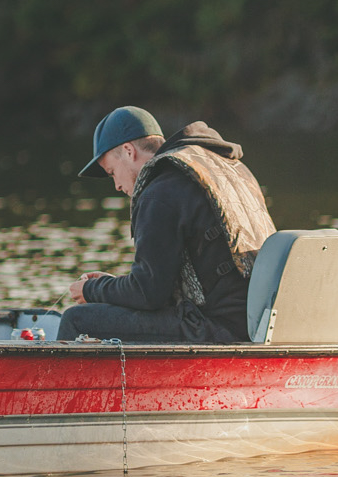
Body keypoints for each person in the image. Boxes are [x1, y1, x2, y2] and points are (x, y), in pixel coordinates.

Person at [60, 106, 277, 342]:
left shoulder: (159, 193)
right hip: (258, 321)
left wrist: (92, 290)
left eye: (112, 172)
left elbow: (149, 295)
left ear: (128, 151)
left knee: (76, 320)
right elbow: (159, 286)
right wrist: (111, 287)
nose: (117, 186)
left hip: (218, 328)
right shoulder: (220, 168)